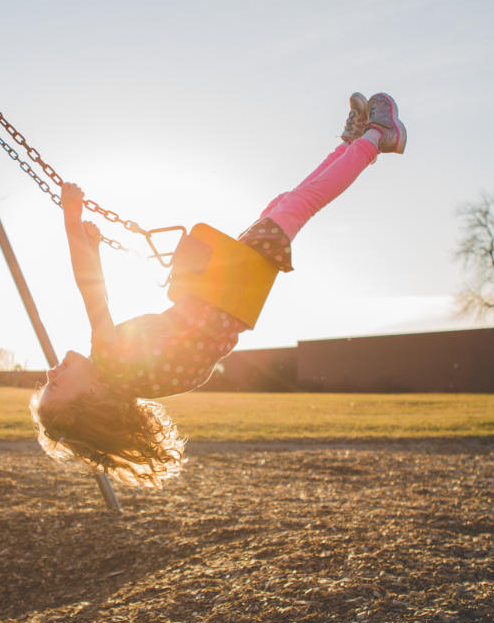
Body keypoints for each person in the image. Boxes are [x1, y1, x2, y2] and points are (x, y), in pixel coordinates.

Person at [29, 92, 407, 488]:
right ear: (90, 396)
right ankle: (380, 136)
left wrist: (94, 246)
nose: (52, 372)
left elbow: (102, 297)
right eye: (56, 385)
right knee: (300, 203)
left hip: (225, 294)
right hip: (226, 288)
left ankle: (352, 144)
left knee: (285, 204)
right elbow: (90, 293)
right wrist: (71, 220)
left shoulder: (124, 377)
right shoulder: (111, 364)